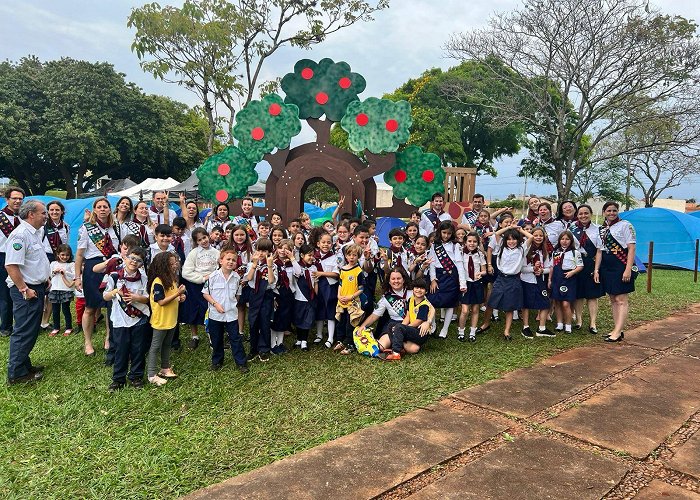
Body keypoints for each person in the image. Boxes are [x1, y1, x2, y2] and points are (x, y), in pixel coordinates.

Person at [4, 199, 50, 384]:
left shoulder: (34, 233)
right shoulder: (20, 235)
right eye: (43, 213)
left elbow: (34, 261)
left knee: (30, 330)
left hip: (36, 287)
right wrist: (24, 289)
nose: (46, 216)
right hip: (26, 290)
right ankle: (16, 373)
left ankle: (23, 364)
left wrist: (44, 278)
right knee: (24, 331)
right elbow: (11, 265)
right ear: (31, 214)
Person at [75, 197, 120, 357]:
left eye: (105, 207)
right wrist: (77, 277)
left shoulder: (116, 228)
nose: (102, 209)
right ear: (94, 210)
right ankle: (88, 342)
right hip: (92, 269)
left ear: (109, 209)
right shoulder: (87, 228)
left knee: (110, 306)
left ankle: (108, 337)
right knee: (90, 306)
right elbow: (79, 255)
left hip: (111, 267)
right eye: (99, 207)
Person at [103, 246, 150, 392]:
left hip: (139, 318)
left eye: (139, 261)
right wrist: (117, 291)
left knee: (138, 349)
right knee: (121, 349)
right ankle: (118, 379)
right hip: (120, 319)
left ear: (142, 264)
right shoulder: (114, 276)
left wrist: (136, 297)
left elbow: (147, 298)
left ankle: (136, 376)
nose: (134, 262)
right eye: (132, 258)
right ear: (125, 257)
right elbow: (105, 295)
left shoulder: (143, 278)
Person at [596, 201, 637, 342]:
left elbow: (631, 248)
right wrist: (597, 269)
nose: (612, 213)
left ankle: (618, 331)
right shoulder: (602, 229)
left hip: (621, 265)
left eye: (614, 210)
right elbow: (600, 251)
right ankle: (616, 329)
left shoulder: (626, 225)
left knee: (621, 299)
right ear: (604, 212)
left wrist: (628, 269)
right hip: (607, 268)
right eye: (609, 211)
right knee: (613, 299)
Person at [203, 248, 248, 372]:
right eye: (228, 259)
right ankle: (217, 361)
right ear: (221, 261)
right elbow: (205, 293)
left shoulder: (236, 278)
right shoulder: (212, 277)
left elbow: (238, 294)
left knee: (235, 338)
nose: (231, 262)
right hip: (215, 315)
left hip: (231, 315)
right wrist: (215, 304)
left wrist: (232, 304)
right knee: (216, 339)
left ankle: (241, 362)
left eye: (233, 260)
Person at [487, 224, 533, 340]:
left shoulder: (521, 249)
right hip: (501, 278)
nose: (511, 241)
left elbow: (531, 237)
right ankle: (485, 324)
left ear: (518, 240)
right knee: (491, 303)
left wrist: (520, 230)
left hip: (513, 280)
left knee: (510, 306)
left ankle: (506, 331)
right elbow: (496, 234)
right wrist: (508, 228)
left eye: (514, 239)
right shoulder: (502, 247)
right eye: (509, 239)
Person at [147, 252, 185, 386]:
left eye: (175, 262)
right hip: (161, 321)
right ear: (163, 265)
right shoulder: (158, 282)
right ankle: (151, 374)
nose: (175, 265)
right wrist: (177, 294)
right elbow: (161, 301)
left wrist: (180, 297)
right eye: (171, 263)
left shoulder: (172, 279)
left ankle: (165, 367)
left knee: (167, 344)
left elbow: (173, 296)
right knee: (155, 347)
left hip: (171, 319)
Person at [181, 227, 220, 350]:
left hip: (212, 286)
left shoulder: (216, 252)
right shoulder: (193, 253)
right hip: (195, 286)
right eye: (199, 240)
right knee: (193, 311)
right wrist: (202, 278)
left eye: (204, 237)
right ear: (196, 242)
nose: (203, 241)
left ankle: (212, 336)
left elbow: (219, 268)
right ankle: (195, 336)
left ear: (208, 236)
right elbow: (186, 272)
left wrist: (212, 277)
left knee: (210, 311)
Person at [427, 220, 466, 339]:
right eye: (444, 232)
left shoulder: (456, 245)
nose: (446, 236)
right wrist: (433, 279)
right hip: (438, 276)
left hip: (451, 276)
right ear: (440, 232)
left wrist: (462, 282)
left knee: (450, 303)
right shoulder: (435, 245)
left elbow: (459, 264)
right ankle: (432, 325)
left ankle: (445, 329)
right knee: (432, 301)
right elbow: (432, 264)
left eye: (449, 233)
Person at [379, 278, 434, 361]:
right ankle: (399, 347)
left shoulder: (424, 305)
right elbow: (408, 316)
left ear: (426, 291)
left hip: (420, 333)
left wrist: (404, 327)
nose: (419, 290)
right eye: (416, 287)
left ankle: (396, 353)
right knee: (391, 325)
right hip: (411, 329)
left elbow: (419, 321)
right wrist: (402, 326)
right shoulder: (411, 300)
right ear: (413, 289)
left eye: (422, 288)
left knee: (400, 328)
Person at [242, 238, 276, 362]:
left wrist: (270, 266)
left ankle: (264, 349)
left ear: (269, 252)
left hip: (266, 296)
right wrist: (255, 265)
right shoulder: (251, 265)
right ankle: (253, 349)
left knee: (265, 323)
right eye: (259, 250)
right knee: (253, 322)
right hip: (254, 295)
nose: (261, 254)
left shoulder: (272, 265)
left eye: (264, 251)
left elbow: (271, 281)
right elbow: (249, 278)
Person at [572, 204, 604, 334]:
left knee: (592, 295)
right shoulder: (572, 229)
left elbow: (599, 250)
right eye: (580, 214)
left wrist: (596, 270)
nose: (583, 216)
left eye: (586, 213)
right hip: (577, 265)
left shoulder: (598, 229)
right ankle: (579, 321)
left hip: (592, 264)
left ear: (590, 214)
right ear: (577, 215)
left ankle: (592, 323)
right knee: (578, 294)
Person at [358, 267, 412, 340]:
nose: (396, 281)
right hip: (394, 323)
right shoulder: (386, 298)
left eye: (398, 278)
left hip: (410, 323)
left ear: (403, 280)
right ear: (389, 281)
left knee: (413, 349)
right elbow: (374, 316)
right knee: (382, 345)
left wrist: (428, 322)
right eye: (393, 279)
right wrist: (362, 326)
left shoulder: (413, 293)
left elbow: (428, 307)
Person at [40, 200, 70, 329]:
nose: (54, 212)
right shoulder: (43, 226)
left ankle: (45, 321)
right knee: (44, 288)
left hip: (59, 259)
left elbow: (65, 245)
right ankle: (39, 320)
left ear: (62, 211)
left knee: (54, 289)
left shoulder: (66, 226)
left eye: (57, 210)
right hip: (46, 258)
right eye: (51, 210)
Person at [520, 227, 554, 338]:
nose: (538, 237)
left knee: (545, 303)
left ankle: (542, 328)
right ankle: (525, 327)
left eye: (541, 235)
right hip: (527, 280)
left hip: (540, 280)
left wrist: (542, 271)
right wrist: (533, 269)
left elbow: (550, 267)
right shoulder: (525, 249)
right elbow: (521, 268)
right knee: (526, 304)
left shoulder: (545, 251)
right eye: (535, 235)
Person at [0, 186, 24, 337]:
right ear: (7, 199)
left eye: (20, 198)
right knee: (5, 293)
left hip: (20, 257)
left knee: (19, 290)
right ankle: (6, 325)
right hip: (3, 256)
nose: (17, 201)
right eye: (14, 198)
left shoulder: (23, 217)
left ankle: (20, 323)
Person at [549, 230, 583, 335]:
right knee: (558, 302)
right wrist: (550, 279)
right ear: (559, 240)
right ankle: (559, 323)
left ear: (571, 241)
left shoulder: (575, 252)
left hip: (569, 279)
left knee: (566, 303)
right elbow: (552, 266)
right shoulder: (556, 252)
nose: (564, 241)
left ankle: (568, 325)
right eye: (562, 239)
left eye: (567, 239)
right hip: (557, 278)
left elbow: (580, 266)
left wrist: (572, 272)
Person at [334, 244, 365, 355]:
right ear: (345, 256)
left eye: (354, 255)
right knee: (340, 322)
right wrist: (338, 295)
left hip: (353, 302)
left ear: (358, 257)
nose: (352, 257)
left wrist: (351, 296)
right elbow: (341, 284)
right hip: (342, 301)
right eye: (349, 255)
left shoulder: (358, 271)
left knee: (350, 323)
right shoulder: (343, 269)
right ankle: (340, 341)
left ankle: (350, 344)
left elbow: (361, 288)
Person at [310, 229, 339, 347]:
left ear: (331, 244)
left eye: (328, 242)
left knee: (330, 310)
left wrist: (321, 274)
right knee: (319, 309)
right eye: (323, 242)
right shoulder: (313, 256)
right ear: (318, 244)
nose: (326, 245)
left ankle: (330, 337)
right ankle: (319, 335)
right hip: (317, 286)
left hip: (330, 286)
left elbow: (337, 274)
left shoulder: (334, 257)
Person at [458, 232, 486, 342]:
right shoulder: (460, 253)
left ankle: (472, 332)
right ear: (465, 242)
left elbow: (484, 270)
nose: (472, 243)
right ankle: (461, 331)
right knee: (465, 310)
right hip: (466, 283)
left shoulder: (479, 254)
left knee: (475, 309)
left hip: (477, 284)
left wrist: (481, 273)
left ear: (478, 243)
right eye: (469, 241)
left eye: (474, 241)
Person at [270, 239, 296, 353]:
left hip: (288, 293)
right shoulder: (274, 263)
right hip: (277, 294)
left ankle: (280, 343)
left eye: (286, 249)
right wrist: (273, 297)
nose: (282, 251)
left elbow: (299, 273)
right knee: (275, 319)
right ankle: (272, 344)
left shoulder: (292, 264)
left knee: (284, 319)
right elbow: (271, 282)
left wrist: (292, 259)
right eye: (280, 248)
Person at [292, 244, 318, 351]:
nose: (311, 257)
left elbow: (316, 282)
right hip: (299, 297)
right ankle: (299, 338)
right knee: (299, 318)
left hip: (310, 297)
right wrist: (293, 259)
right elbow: (297, 272)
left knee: (307, 319)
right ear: (302, 255)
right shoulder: (297, 266)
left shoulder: (313, 267)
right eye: (309, 255)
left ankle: (304, 341)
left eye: (313, 255)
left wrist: (316, 294)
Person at [48, 244, 75, 337]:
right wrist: (54, 272)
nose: (65, 257)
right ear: (58, 254)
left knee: (65, 309)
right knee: (55, 310)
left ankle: (68, 327)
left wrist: (65, 272)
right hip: (55, 289)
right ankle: (56, 327)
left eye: (67, 255)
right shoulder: (53, 264)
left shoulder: (71, 264)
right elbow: (49, 276)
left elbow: (74, 276)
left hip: (66, 289)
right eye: (62, 255)